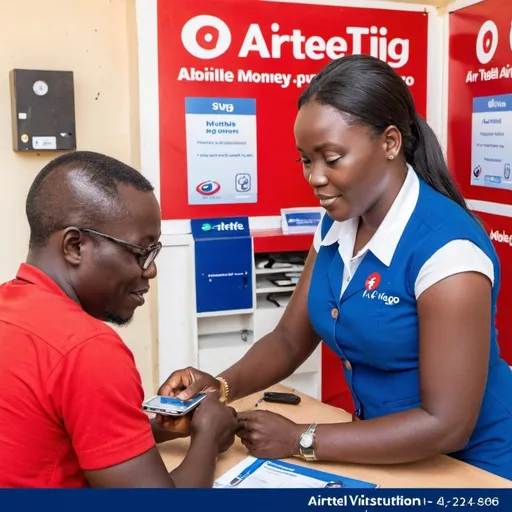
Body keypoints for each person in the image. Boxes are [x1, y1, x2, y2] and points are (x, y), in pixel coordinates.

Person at [158, 55, 512, 481]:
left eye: (332, 158)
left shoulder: (449, 253)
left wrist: (302, 439)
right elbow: (290, 339)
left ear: (390, 143)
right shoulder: (337, 223)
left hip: (473, 467)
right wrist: (219, 386)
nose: (315, 177)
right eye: (306, 160)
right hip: (385, 451)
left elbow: (446, 424)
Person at [0, 151, 238, 488]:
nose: (151, 269)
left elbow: (45, 435)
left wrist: (151, 427)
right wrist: (208, 437)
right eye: (142, 252)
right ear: (75, 246)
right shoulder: (88, 349)